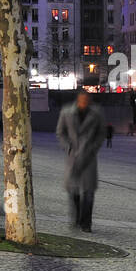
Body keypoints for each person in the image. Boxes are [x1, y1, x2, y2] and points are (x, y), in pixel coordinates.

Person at [56, 90, 105, 233]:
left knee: (89, 192)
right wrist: (68, 147)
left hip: (89, 156)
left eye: (86, 100)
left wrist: (94, 147)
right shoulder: (67, 112)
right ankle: (77, 219)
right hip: (73, 157)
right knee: (74, 191)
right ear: (78, 100)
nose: (84, 102)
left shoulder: (96, 113)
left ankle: (86, 223)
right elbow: (61, 132)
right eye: (82, 100)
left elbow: (101, 132)